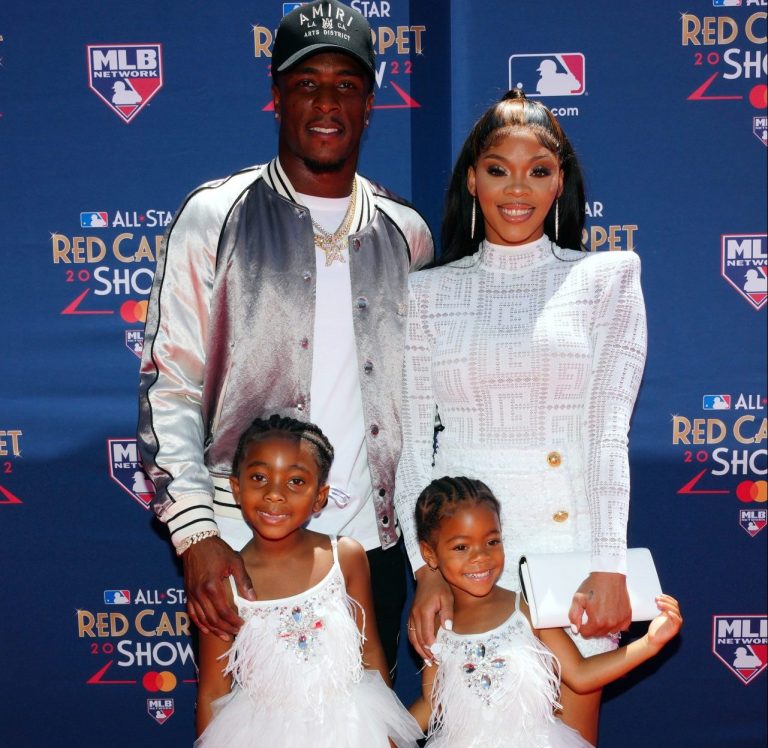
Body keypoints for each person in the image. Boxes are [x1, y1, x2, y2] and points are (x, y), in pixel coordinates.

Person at [138, 0, 433, 676]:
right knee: (249, 720)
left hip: (371, 548)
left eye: (346, 85)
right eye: (307, 83)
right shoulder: (214, 215)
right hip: (241, 544)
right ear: (277, 96)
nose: (326, 103)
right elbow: (170, 384)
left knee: (367, 719)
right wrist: (197, 532)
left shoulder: (407, 234)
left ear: (370, 104)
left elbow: (426, 408)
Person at [394, 88, 647, 743]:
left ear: (560, 181)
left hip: (568, 559)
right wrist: (426, 571)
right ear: (472, 179)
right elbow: (413, 447)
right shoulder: (425, 293)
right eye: (498, 169)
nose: (517, 188)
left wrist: (609, 565)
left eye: (538, 170)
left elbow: (607, 434)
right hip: (466, 564)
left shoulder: (608, 279)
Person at [196, 415, 422, 747]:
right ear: (236, 488)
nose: (275, 494)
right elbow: (213, 689)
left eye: (296, 481)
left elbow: (371, 653)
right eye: (259, 477)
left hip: (350, 731)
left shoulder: (346, 557)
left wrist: (385, 734)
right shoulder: (224, 582)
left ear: (320, 497)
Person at [408, 476, 682, 748]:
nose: (480, 556)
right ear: (429, 554)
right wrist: (391, 737)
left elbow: (581, 675)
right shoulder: (435, 628)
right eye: (461, 547)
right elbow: (432, 703)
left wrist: (649, 643)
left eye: (492, 541)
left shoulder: (526, 609)